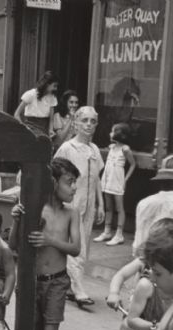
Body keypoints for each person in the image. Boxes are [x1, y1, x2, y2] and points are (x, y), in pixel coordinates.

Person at [9, 158, 81, 330]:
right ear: (53, 183)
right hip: (32, 282)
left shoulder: (71, 213)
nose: (74, 188)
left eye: (75, 182)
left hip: (57, 282)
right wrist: (16, 220)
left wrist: (50, 240)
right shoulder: (34, 209)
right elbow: (14, 245)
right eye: (69, 182)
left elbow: (76, 248)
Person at [107, 156, 173, 330]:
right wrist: (113, 292)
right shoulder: (147, 265)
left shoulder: (144, 203)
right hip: (150, 283)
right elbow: (125, 271)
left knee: (128, 328)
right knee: (130, 324)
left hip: (156, 275)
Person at [54, 106, 105, 307]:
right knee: (77, 244)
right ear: (75, 123)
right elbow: (56, 174)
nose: (89, 125)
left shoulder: (94, 150)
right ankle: (79, 290)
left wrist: (101, 204)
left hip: (89, 204)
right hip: (72, 202)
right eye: (84, 120)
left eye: (93, 121)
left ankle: (69, 285)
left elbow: (97, 179)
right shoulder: (68, 148)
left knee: (85, 244)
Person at [94, 123, 136, 246]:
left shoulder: (125, 149)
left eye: (112, 131)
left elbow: (133, 164)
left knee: (119, 208)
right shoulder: (112, 147)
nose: (110, 133)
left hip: (118, 180)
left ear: (120, 134)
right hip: (108, 179)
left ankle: (119, 235)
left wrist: (125, 179)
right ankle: (107, 232)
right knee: (108, 207)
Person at [14, 71, 59, 137]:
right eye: (54, 86)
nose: (56, 88)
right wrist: (23, 128)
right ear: (47, 84)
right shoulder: (31, 94)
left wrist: (50, 130)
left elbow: (51, 118)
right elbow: (16, 114)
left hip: (44, 130)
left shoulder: (52, 97)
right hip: (31, 129)